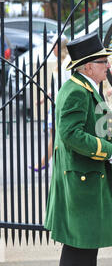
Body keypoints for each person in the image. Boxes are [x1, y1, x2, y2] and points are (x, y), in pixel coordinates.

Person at [44, 32, 112, 266]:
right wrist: (106, 149)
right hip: (80, 176)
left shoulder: (87, 86)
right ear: (87, 66)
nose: (107, 66)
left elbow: (95, 126)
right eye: (103, 62)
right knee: (78, 237)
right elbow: (71, 135)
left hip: (89, 172)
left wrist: (111, 143)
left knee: (90, 233)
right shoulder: (76, 90)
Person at [32, 34, 71, 171]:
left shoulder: (66, 62)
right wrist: (44, 99)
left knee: (56, 135)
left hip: (61, 104)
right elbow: (55, 86)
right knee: (55, 135)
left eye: (54, 46)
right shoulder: (61, 62)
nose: (52, 49)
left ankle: (45, 162)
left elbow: (66, 85)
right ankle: (50, 162)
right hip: (55, 104)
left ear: (59, 47)